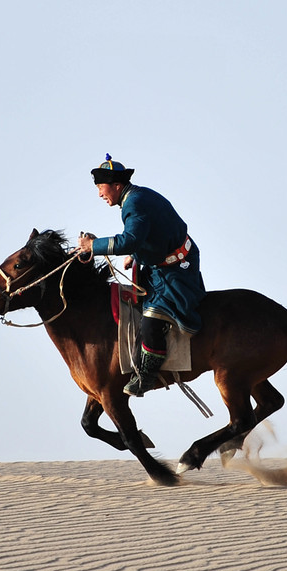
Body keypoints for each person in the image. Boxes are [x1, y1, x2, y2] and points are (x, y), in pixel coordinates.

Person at [76, 154, 207, 397]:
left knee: (151, 319)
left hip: (176, 269)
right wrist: (136, 255)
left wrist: (92, 246)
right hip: (162, 263)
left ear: (116, 186)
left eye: (100, 187)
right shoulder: (136, 196)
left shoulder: (134, 203)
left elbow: (131, 239)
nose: (99, 194)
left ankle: (146, 376)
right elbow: (152, 233)